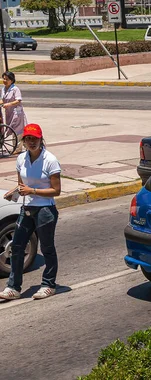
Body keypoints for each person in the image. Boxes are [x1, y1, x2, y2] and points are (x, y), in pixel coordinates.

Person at [0, 123, 61, 301]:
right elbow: (22, 185)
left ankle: (49, 285)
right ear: (24, 141)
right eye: (27, 138)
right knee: (17, 247)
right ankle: (13, 287)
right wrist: (15, 191)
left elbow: (56, 190)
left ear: (41, 139)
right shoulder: (21, 159)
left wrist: (32, 191)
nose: (31, 141)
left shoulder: (50, 160)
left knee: (47, 248)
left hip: (45, 210)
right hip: (27, 208)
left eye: (34, 138)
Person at [1, 71, 28, 154]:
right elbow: (2, 99)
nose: (5, 81)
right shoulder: (4, 89)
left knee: (17, 130)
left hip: (17, 112)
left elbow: (18, 100)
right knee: (12, 129)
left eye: (7, 79)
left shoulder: (15, 89)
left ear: (12, 80)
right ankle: (25, 145)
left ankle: (18, 148)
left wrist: (9, 104)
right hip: (9, 112)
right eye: (4, 79)